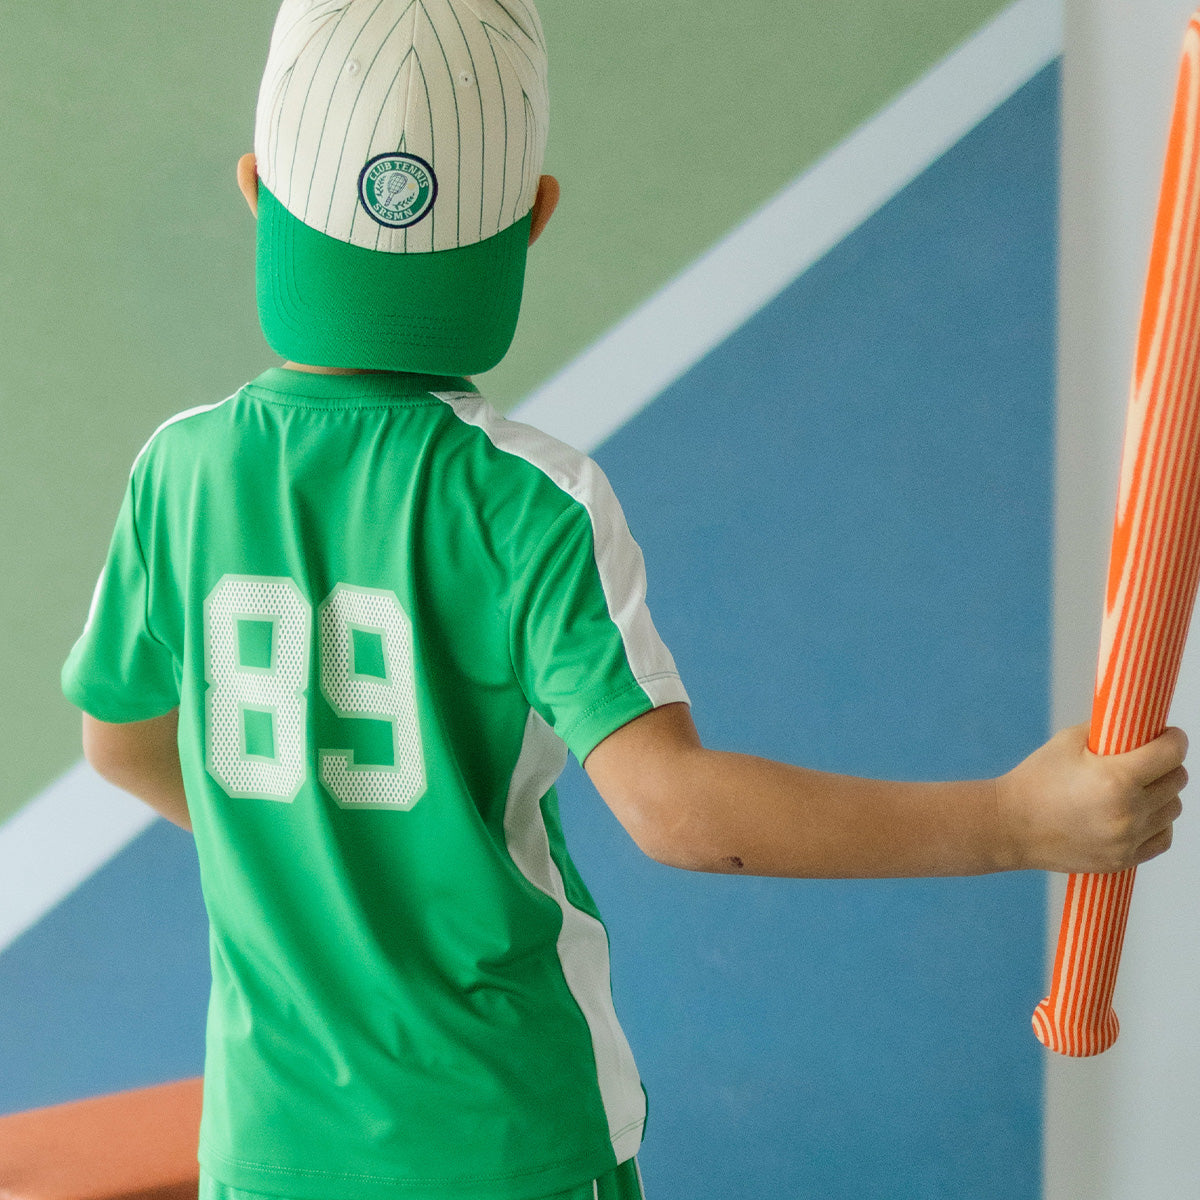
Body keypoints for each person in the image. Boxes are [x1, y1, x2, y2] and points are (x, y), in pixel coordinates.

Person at [61, 2, 1187, 1198]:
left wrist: (313, 858)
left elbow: (122, 742)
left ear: (254, 192)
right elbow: (678, 814)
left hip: (271, 1149)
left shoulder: (176, 472)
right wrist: (1018, 821)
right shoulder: (528, 500)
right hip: (508, 1146)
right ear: (535, 215)